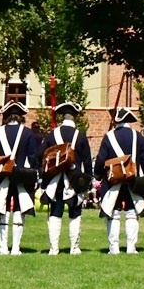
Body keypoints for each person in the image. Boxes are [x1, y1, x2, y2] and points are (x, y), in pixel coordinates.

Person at [0, 101, 38, 256]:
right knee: (20, 209)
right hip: (21, 175)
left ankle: (3, 249)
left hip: (2, 176)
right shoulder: (28, 133)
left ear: (6, 117)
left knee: (3, 209)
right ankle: (16, 248)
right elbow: (33, 157)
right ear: (21, 117)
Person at [94, 107, 144, 254]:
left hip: (113, 180)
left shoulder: (109, 136)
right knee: (132, 213)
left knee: (114, 213)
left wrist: (98, 175)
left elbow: (101, 159)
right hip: (133, 178)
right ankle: (131, 248)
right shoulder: (138, 136)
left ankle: (114, 248)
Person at [39, 102, 92, 255]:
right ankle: (74, 248)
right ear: (75, 117)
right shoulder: (80, 136)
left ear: (63, 117)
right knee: (75, 213)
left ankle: (53, 249)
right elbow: (87, 162)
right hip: (75, 181)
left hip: (55, 181)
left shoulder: (52, 135)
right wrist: (87, 183)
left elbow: (40, 155)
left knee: (55, 213)